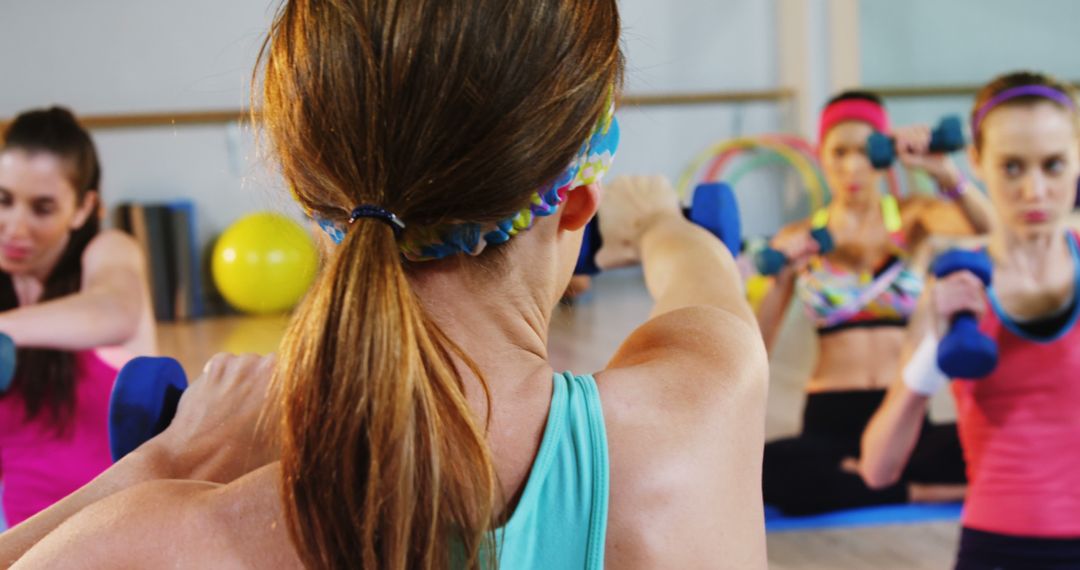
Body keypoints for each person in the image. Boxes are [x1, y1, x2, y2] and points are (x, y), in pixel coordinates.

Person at [2, 1, 768, 568]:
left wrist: (170, 460)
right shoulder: (703, 406)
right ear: (574, 203)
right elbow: (702, 276)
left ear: (313, 205)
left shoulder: (167, 542)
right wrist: (663, 223)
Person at [861, 71, 1080, 569]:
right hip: (997, 547)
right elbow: (877, 468)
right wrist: (929, 358)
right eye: (1012, 167)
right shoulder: (953, 289)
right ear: (977, 162)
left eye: (1053, 165)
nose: (1035, 189)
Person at [758, 91, 993, 515]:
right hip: (828, 416)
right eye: (839, 152)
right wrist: (779, 278)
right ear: (821, 155)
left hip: (902, 412)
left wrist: (944, 173)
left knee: (991, 447)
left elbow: (994, 233)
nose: (852, 167)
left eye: (866, 151)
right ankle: (915, 490)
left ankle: (862, 479)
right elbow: (755, 347)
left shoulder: (914, 218)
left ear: (885, 155)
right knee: (766, 471)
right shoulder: (797, 237)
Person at [0, 107, 155, 526]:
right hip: (23, 540)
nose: (15, 226)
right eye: (4, 200)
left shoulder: (108, 251)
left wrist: (6, 328)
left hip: (119, 529)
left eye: (42, 207)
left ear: (83, 208)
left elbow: (117, 311)